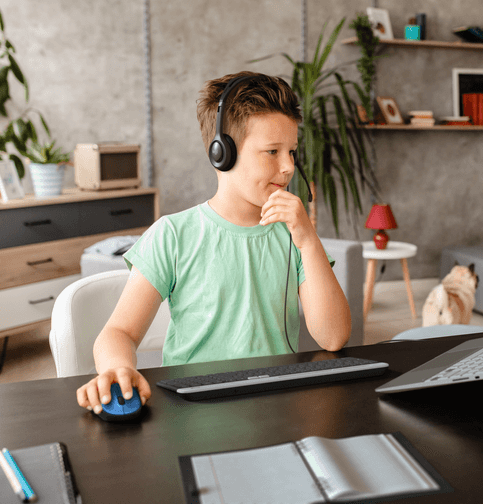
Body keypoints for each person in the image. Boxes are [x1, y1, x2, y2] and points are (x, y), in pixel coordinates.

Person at [76, 72, 352, 414]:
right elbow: (118, 332)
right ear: (222, 153)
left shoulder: (295, 236)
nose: (288, 167)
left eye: (292, 152)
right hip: (193, 409)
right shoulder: (173, 235)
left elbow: (334, 337)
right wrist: (119, 369)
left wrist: (308, 240)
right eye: (271, 151)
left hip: (276, 407)